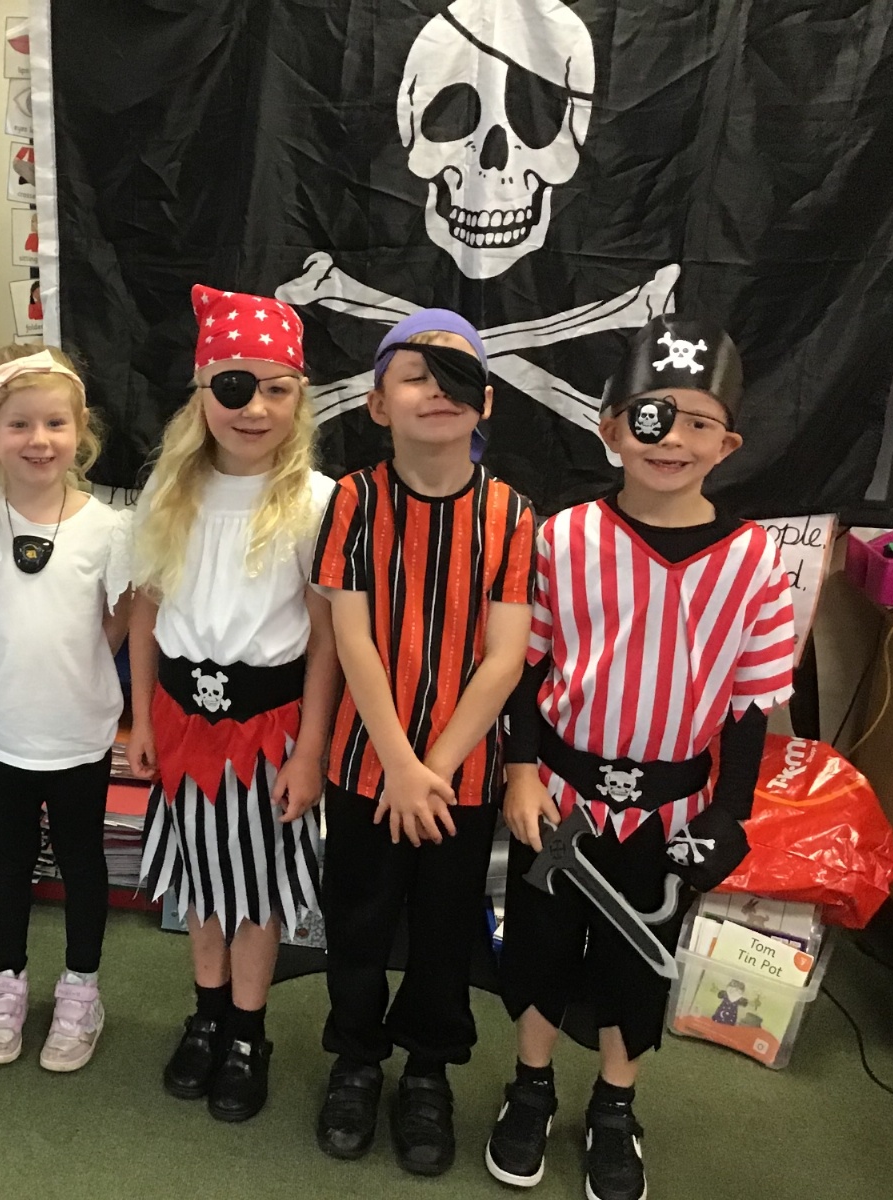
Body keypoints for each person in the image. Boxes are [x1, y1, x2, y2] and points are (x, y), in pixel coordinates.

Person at [487, 315, 794, 1200]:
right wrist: (518, 772)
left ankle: (615, 1102)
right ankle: (531, 1084)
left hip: (670, 808)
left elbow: (748, 706)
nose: (673, 439)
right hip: (562, 796)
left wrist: (729, 812)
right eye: (652, 417)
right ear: (611, 429)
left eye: (699, 422)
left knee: (637, 958)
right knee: (543, 945)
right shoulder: (563, 538)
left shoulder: (754, 561)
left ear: (727, 445)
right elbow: (526, 667)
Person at [310, 312, 534, 1175]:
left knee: (445, 930)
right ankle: (356, 1058)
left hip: (460, 780)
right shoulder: (354, 502)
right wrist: (398, 766)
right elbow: (352, 638)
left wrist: (432, 770)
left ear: (487, 402)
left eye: (457, 377)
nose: (437, 392)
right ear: (377, 404)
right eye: (415, 377)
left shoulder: (512, 514)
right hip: (366, 766)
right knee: (357, 919)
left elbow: (506, 656)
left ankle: (430, 1070)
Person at [131, 284, 340, 1123]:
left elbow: (326, 641)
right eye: (233, 387)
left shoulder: (318, 502)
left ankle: (249, 1032)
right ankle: (208, 1015)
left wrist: (310, 750)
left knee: (257, 887)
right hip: (183, 722)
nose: (253, 408)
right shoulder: (168, 490)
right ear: (201, 395)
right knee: (200, 881)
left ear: (299, 397)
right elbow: (144, 611)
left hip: (269, 729)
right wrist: (140, 716)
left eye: (274, 389)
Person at [0, 345, 131, 1072]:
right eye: (19, 424)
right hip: (0, 731)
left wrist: (65, 678)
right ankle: (7, 982)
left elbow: (112, 626)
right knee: (8, 859)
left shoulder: (109, 529)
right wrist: (4, 675)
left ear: (81, 431)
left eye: (55, 423)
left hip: (77, 732)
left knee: (83, 860)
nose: (38, 440)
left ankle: (81, 989)